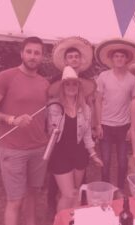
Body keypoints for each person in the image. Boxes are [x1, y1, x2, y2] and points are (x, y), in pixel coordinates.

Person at [0, 37, 50, 225]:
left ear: (42, 56)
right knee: (15, 201)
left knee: (33, 196)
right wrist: (11, 119)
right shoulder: (6, 76)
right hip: (13, 149)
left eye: (37, 52)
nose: (33, 56)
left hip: (39, 148)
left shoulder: (44, 83)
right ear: (22, 53)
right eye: (29, 51)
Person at [47, 36, 94, 214]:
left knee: (76, 190)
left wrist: (93, 151)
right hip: (60, 150)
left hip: (79, 148)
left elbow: (87, 127)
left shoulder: (85, 105)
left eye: (77, 56)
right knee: (63, 187)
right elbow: (52, 126)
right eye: (71, 56)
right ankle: (55, 208)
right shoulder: (55, 97)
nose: (72, 86)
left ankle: (73, 217)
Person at [94, 38, 135, 192]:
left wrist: (132, 126)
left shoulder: (133, 78)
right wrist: (98, 124)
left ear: (127, 59)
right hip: (106, 125)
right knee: (106, 161)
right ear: (111, 59)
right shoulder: (103, 76)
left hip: (124, 126)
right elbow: (97, 101)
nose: (119, 59)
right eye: (116, 56)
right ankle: (105, 189)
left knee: (123, 162)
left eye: (122, 56)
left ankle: (120, 189)